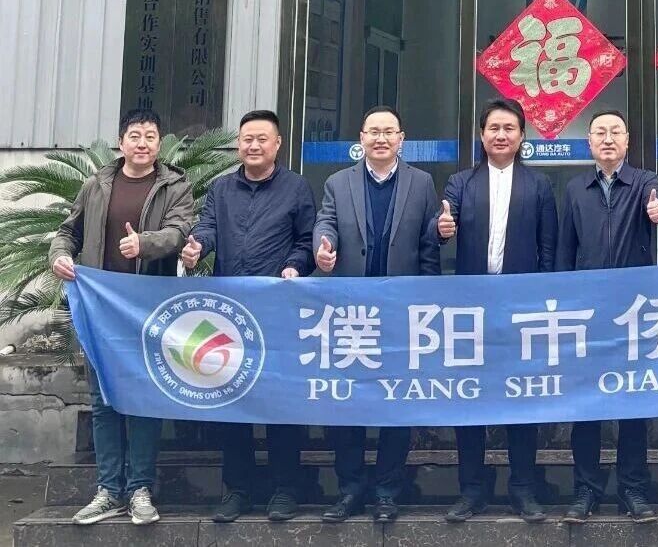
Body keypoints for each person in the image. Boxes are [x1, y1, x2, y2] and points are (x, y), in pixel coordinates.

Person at [50, 109, 195, 527]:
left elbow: (179, 231)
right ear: (121, 142)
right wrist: (59, 254)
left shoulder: (175, 186)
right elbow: (68, 231)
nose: (143, 143)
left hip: (149, 310)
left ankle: (140, 489)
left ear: (160, 143)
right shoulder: (96, 185)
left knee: (144, 398)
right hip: (102, 310)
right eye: (135, 135)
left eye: (150, 136)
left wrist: (144, 243)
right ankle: (108, 490)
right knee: (104, 401)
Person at [181, 110, 315, 524]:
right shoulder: (221, 189)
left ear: (277, 144)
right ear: (238, 144)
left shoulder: (296, 188)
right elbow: (207, 228)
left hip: (278, 312)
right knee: (233, 402)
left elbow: (307, 240)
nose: (253, 145)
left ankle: (285, 487)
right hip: (230, 315)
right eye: (246, 139)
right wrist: (197, 248)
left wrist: (294, 265)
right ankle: (238, 488)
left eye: (262, 139)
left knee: (280, 401)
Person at [312, 106, 441, 524]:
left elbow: (428, 247)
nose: (381, 138)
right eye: (373, 132)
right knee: (345, 402)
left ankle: (387, 490)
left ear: (401, 139)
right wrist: (323, 249)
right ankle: (350, 488)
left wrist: (428, 301)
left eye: (389, 132)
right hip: (351, 313)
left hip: (401, 313)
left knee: (396, 404)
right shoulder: (337, 182)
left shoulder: (422, 183)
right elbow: (326, 223)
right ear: (361, 138)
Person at [436, 98, 558, 523]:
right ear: (482, 135)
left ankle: (522, 486)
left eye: (509, 128)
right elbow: (441, 230)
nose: (501, 135)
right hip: (471, 311)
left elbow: (548, 249)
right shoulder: (460, 183)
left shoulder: (539, 185)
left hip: (522, 310)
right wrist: (442, 229)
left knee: (522, 399)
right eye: (494, 128)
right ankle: (471, 488)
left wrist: (544, 303)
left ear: (522, 136)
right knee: (470, 398)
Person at [556, 110, 658, 524]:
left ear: (627, 140)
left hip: (632, 313)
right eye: (600, 133)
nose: (608, 139)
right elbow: (565, 252)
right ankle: (585, 489)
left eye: (615, 132)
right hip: (586, 314)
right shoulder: (574, 189)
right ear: (589, 142)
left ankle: (632, 488)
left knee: (633, 404)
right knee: (586, 406)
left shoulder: (644, 182)